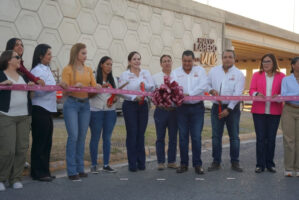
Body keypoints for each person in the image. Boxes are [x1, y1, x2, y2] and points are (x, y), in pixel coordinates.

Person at [61, 43, 100, 181]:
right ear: (76, 53)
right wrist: (73, 87)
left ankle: (80, 168)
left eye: (86, 53)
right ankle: (71, 171)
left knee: (82, 137)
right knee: (74, 136)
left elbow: (94, 88)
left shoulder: (89, 70)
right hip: (71, 104)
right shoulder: (67, 69)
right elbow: (64, 89)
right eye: (83, 53)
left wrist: (97, 87)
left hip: (85, 105)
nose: (85, 56)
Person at [30, 44, 66, 182]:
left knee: (47, 142)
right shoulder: (37, 70)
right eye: (48, 54)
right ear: (41, 56)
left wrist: (57, 87)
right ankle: (37, 172)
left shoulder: (47, 69)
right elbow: (37, 90)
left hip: (49, 109)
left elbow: (49, 87)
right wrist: (52, 88)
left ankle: (45, 170)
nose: (51, 56)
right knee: (40, 142)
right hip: (40, 109)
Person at [207, 49, 245, 172]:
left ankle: (235, 162)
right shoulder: (214, 71)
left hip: (232, 109)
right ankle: (216, 162)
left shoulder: (239, 74)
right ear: (222, 58)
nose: (227, 59)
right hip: (216, 107)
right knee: (216, 137)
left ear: (234, 59)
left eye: (230, 57)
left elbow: (237, 93)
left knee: (234, 137)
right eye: (225, 57)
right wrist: (211, 90)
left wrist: (228, 109)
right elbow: (206, 85)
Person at [0, 50, 33, 191]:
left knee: (21, 148)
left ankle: (16, 178)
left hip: (24, 116)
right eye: (17, 57)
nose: (20, 59)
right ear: (8, 60)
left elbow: (30, 96)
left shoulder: (23, 76)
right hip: (6, 116)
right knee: (7, 150)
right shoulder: (1, 74)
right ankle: (1, 178)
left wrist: (32, 88)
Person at [172, 50, 208, 175]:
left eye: (189, 61)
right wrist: (181, 95)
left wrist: (190, 94)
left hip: (197, 108)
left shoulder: (200, 71)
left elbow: (204, 85)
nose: (187, 63)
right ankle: (184, 164)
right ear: (182, 60)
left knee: (196, 137)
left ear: (193, 61)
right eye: (185, 61)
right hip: (181, 109)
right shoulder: (175, 72)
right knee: (182, 138)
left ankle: (197, 164)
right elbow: (173, 88)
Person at [119, 51, 155, 172]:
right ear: (129, 61)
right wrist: (134, 97)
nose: (137, 61)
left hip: (143, 105)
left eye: (139, 59)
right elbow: (122, 92)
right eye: (134, 59)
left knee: (141, 133)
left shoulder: (146, 73)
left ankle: (141, 162)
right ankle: (132, 163)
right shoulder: (125, 74)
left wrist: (145, 85)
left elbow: (152, 87)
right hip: (130, 105)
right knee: (132, 133)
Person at [249, 54, 285, 173]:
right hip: (258, 111)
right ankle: (260, 164)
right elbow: (251, 90)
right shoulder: (256, 75)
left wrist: (278, 96)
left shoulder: (281, 76)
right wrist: (256, 95)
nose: (265, 64)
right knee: (260, 138)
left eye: (268, 61)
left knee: (271, 139)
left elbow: (284, 93)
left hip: (275, 112)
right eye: (264, 61)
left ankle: (270, 164)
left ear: (274, 62)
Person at [89, 56, 118, 174]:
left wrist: (114, 99)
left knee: (107, 138)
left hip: (110, 112)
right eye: (107, 64)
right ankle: (94, 165)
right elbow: (88, 95)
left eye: (111, 64)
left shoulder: (114, 80)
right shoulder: (93, 77)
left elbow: (116, 97)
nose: (109, 67)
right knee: (95, 138)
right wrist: (99, 89)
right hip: (96, 111)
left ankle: (106, 164)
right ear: (101, 64)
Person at [152, 55, 178, 170]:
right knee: (160, 137)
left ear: (172, 62)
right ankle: (161, 162)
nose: (167, 63)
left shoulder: (177, 76)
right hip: (161, 111)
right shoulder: (155, 77)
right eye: (164, 61)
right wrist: (158, 103)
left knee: (173, 137)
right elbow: (152, 95)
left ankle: (171, 161)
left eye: (168, 61)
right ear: (161, 64)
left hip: (174, 111)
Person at [281, 57, 299, 177]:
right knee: (289, 140)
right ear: (293, 65)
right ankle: (288, 168)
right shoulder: (286, 80)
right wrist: (296, 95)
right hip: (289, 110)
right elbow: (284, 95)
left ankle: (297, 168)